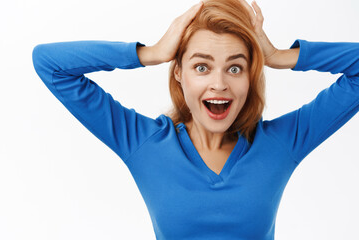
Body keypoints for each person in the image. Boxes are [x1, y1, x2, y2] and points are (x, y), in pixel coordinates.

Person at [32, 0, 359, 239]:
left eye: (235, 67)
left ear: (250, 76)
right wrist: (152, 52)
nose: (219, 83)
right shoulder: (144, 143)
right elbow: (49, 63)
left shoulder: (281, 143)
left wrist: (277, 56)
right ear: (179, 73)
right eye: (202, 67)